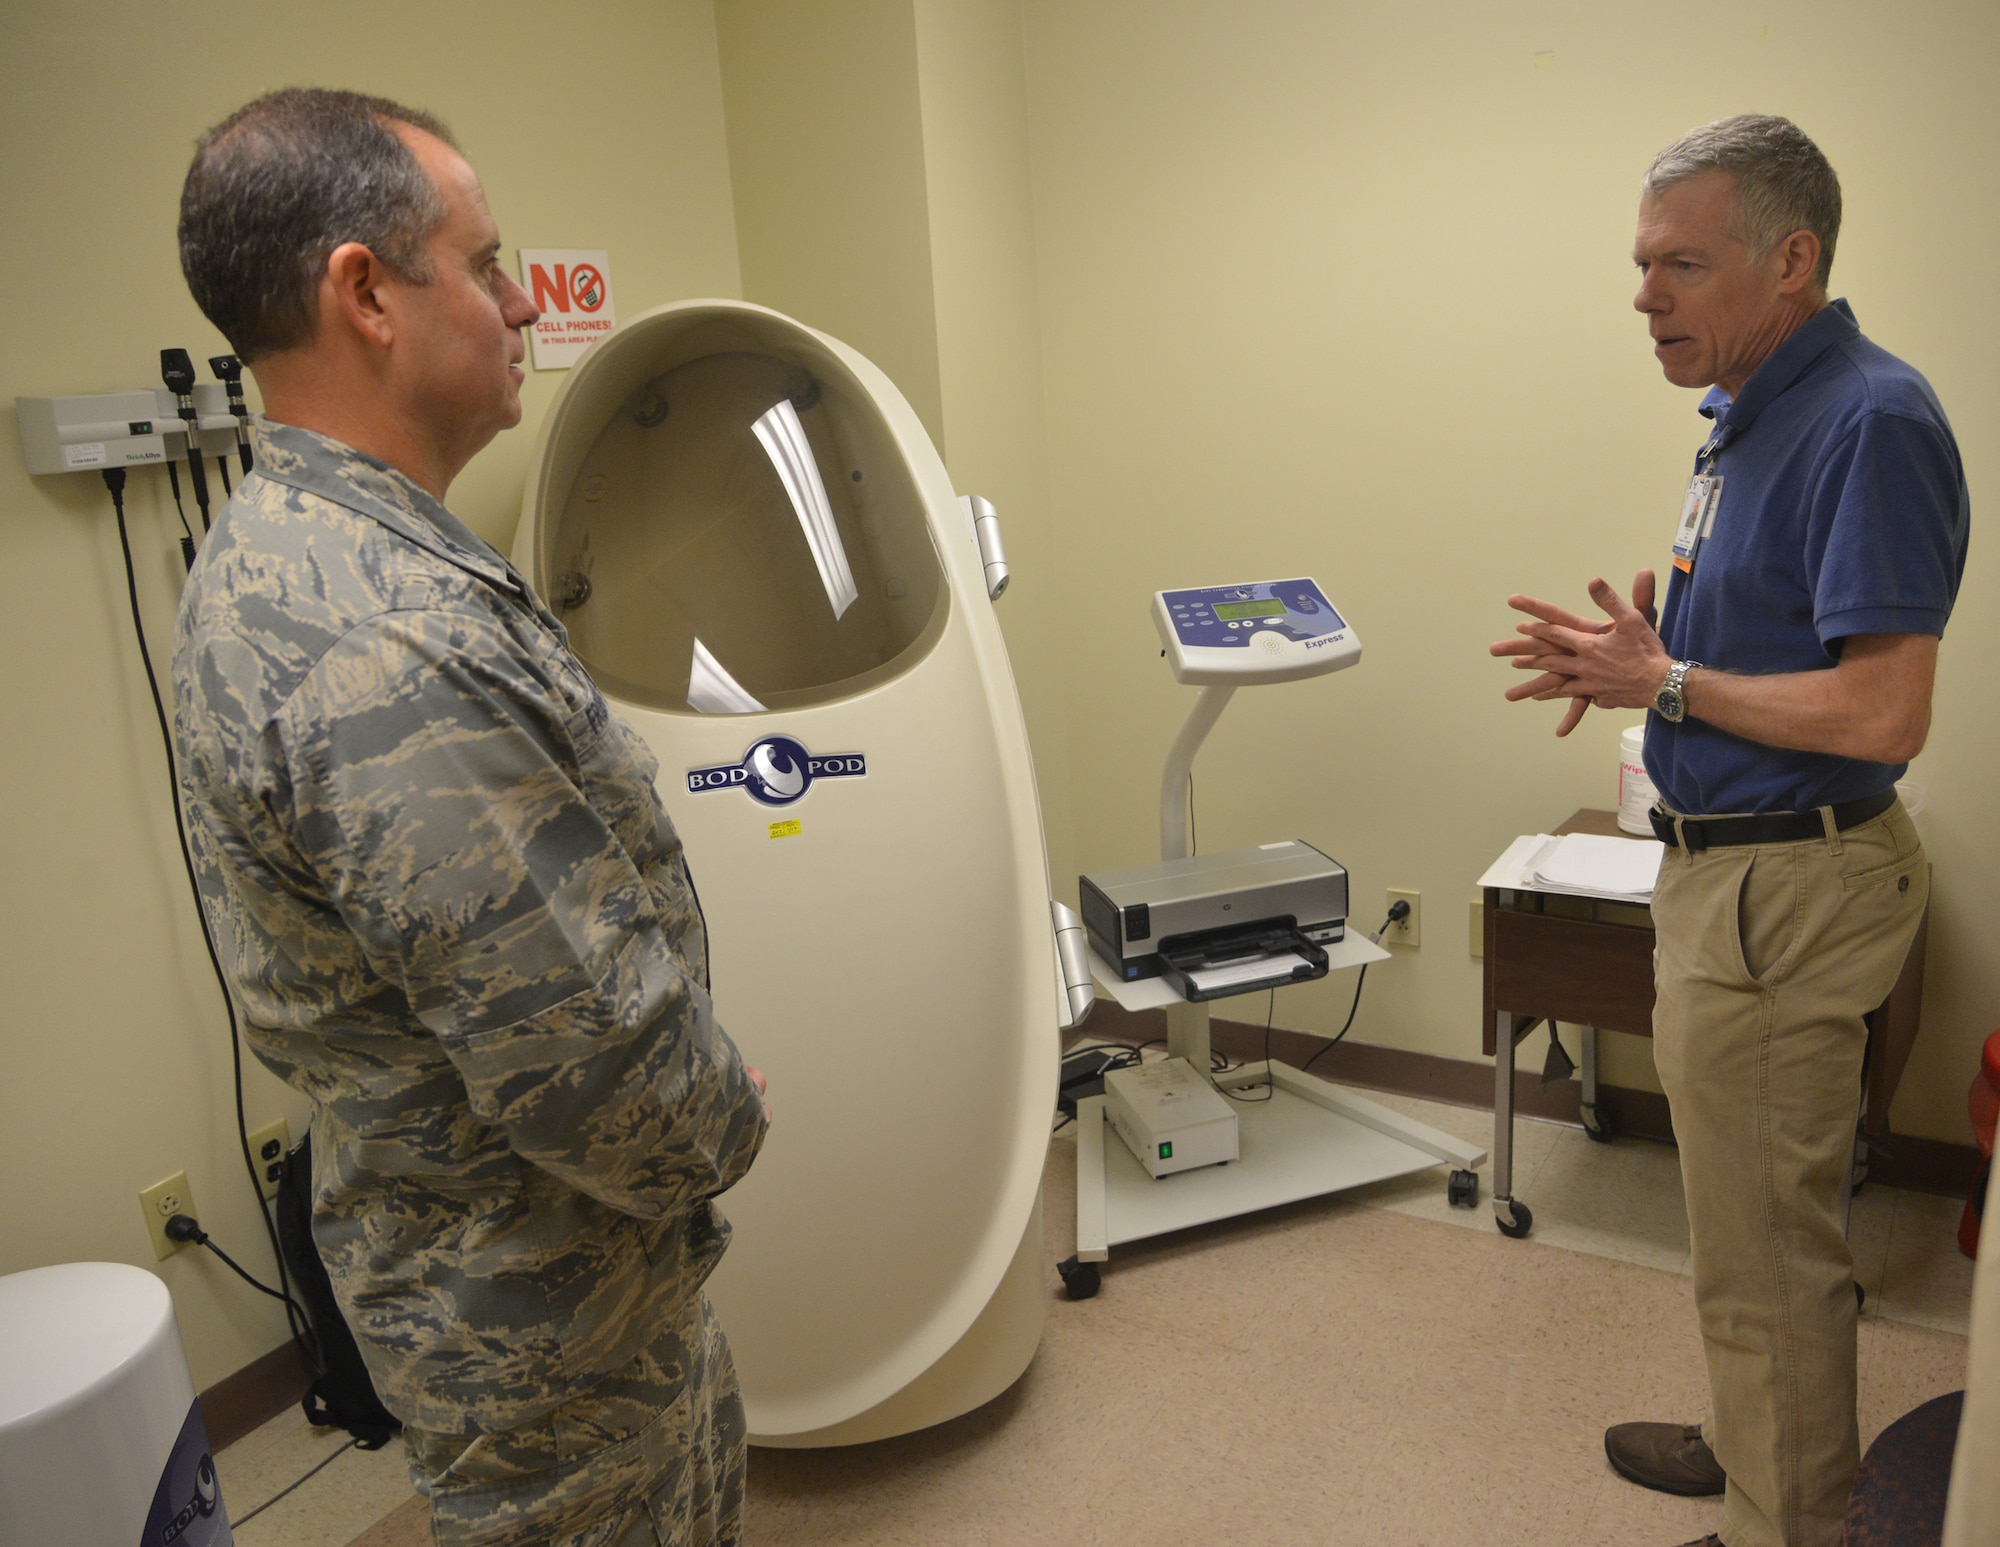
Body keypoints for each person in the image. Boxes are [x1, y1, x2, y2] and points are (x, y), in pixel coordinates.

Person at [172, 90, 771, 1546]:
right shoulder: (385, 642)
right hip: (542, 1314)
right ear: (365, 292)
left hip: (537, 1275)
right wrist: (731, 1117)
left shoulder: (306, 553)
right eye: (486, 262)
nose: (519, 306)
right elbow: (585, 1061)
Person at [1492, 115, 1968, 1547]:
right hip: (1727, 880)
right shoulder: (1747, 417)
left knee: (1769, 1256)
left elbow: (1887, 712)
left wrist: (1673, 682)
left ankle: (1785, 1522)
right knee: (1740, 1235)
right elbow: (1764, 654)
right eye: (1643, 264)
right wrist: (1646, 667)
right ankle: (1759, 1440)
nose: (1646, 296)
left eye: (1683, 266)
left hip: (1793, 889)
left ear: (1793, 260)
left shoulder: (1871, 420)